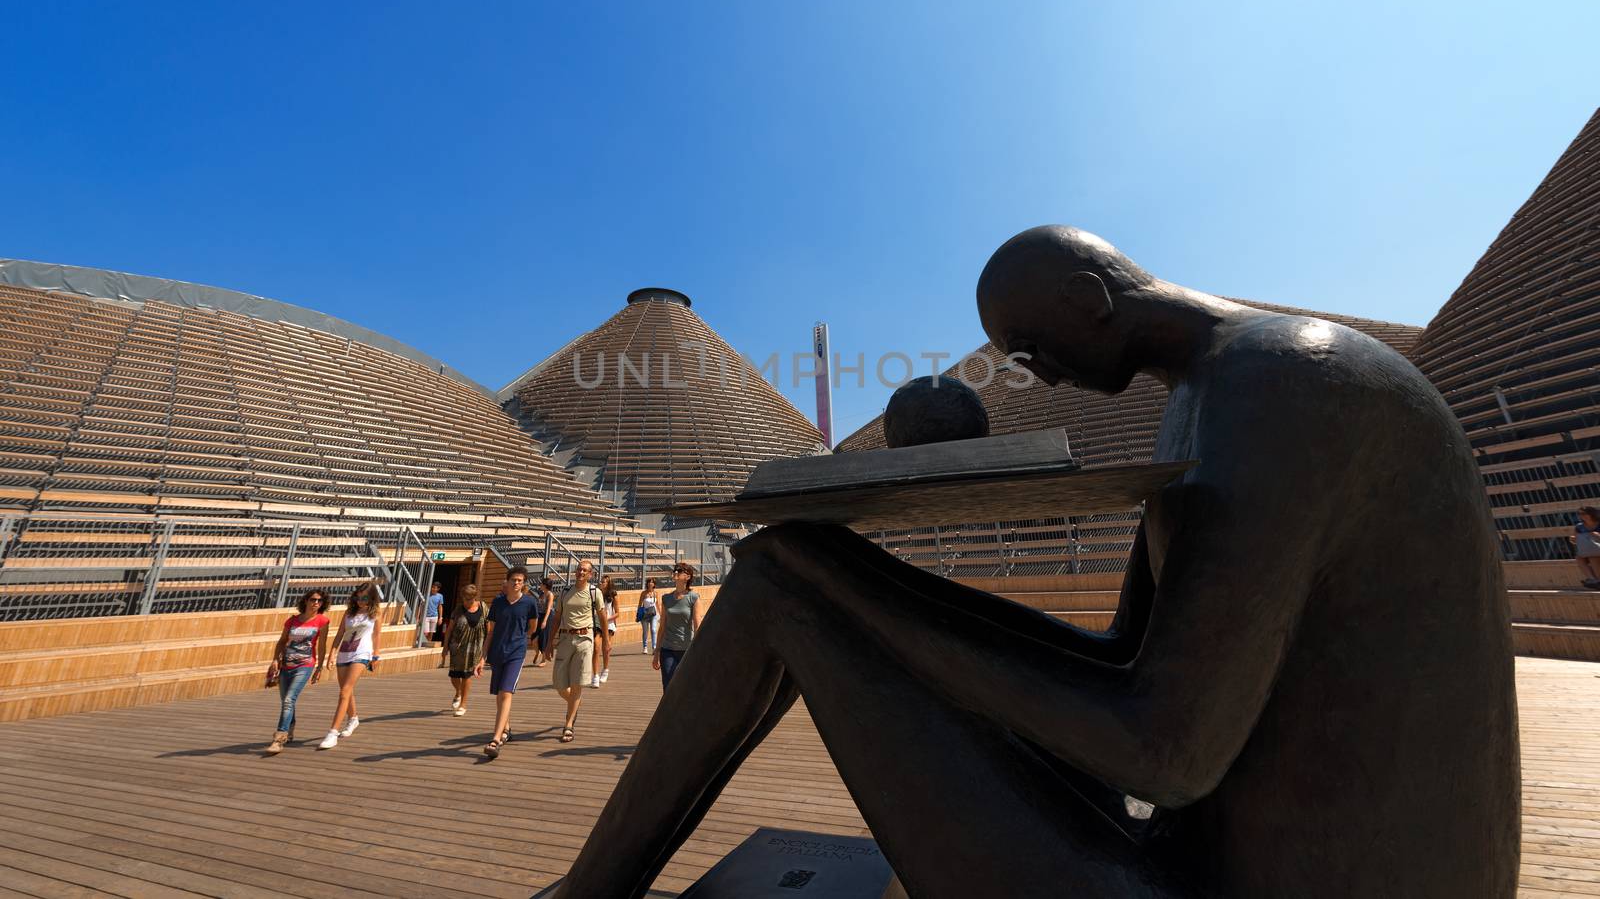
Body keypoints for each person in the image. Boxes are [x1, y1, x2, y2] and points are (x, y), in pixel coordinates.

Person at [551, 226, 1521, 899]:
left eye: (1026, 346)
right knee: (795, 569)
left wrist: (860, 601)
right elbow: (1122, 667)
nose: (1026, 373)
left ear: (1089, 297)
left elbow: (1163, 753)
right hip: (1202, 854)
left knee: (777, 577)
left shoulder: (1290, 387)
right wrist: (868, 590)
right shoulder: (1223, 395)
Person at [481, 565, 541, 759]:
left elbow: (532, 627)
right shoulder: (498, 603)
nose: (516, 583)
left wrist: (522, 640)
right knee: (499, 694)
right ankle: (506, 729)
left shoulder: (529, 603)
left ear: (524, 584)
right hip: (497, 651)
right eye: (513, 580)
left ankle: (496, 739)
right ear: (507, 582)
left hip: (516, 651)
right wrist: (482, 657)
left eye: (520, 581)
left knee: (506, 692)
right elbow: (490, 631)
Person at [319, 581, 383, 750]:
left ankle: (332, 733)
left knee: (344, 691)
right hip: (344, 652)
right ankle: (353, 718)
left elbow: (376, 635)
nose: (360, 601)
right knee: (347, 690)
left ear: (372, 598)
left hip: (361, 653)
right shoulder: (349, 613)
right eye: (358, 597)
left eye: (365, 598)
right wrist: (332, 653)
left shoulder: (375, 613)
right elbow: (340, 634)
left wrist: (376, 654)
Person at [264, 589, 330, 753]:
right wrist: (274, 660)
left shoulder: (322, 621)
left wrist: (319, 667)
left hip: (305, 665)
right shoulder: (292, 621)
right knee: (287, 701)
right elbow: (282, 641)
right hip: (286, 664)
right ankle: (290, 728)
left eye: (320, 601)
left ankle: (279, 738)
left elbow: (321, 647)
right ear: (306, 601)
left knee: (288, 699)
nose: (316, 603)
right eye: (313, 599)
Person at [549, 558, 607, 743]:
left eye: (585, 570)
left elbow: (603, 616)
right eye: (579, 569)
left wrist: (605, 640)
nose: (581, 572)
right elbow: (556, 618)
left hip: (585, 639)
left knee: (577, 683)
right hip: (566, 638)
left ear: (590, 574)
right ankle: (575, 703)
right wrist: (549, 642)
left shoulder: (594, 592)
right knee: (559, 684)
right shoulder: (565, 591)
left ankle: (568, 725)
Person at [443, 581, 489, 716]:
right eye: (464, 598)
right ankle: (458, 692)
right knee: (454, 676)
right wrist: (445, 647)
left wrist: (486, 649)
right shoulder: (458, 610)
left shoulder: (484, 608)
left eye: (469, 599)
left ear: (475, 597)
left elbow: (489, 629)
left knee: (467, 675)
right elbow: (450, 629)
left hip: (475, 647)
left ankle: (463, 704)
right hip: (457, 647)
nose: (466, 601)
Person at [653, 563, 701, 690]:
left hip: (686, 650)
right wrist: (657, 652)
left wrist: (697, 651)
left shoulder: (693, 598)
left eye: (679, 571)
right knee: (668, 686)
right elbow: (662, 627)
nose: (675, 572)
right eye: (674, 570)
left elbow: (697, 626)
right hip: (667, 649)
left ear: (687, 576)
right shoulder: (666, 598)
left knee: (686, 687)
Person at [595, 574, 619, 686]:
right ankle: (595, 674)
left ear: (608, 584)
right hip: (597, 623)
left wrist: (607, 618)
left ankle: (605, 670)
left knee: (606, 648)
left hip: (608, 624)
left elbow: (618, 613)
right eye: (601, 581)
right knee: (595, 645)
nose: (601, 583)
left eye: (604, 582)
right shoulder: (596, 593)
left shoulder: (613, 595)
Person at [1573, 506, 1600, 589]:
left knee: (1593, 557)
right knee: (1579, 557)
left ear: (1591, 513)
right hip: (1591, 549)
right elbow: (1576, 541)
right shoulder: (1579, 527)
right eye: (1579, 514)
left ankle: (1598, 580)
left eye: (1584, 513)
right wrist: (1573, 539)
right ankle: (1593, 579)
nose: (1581, 516)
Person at [533, 576, 556, 665]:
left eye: (542, 584)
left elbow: (549, 609)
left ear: (545, 585)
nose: (540, 585)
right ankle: (538, 652)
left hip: (548, 616)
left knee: (543, 637)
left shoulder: (550, 594)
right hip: (540, 616)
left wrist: (545, 621)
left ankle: (543, 660)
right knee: (534, 638)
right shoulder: (541, 594)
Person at [637, 577, 658, 655]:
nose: (650, 583)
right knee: (645, 631)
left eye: (652, 582)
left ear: (654, 584)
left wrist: (660, 614)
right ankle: (645, 647)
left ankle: (654, 647)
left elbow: (657, 604)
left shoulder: (656, 593)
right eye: (649, 582)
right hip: (645, 614)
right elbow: (639, 604)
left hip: (653, 614)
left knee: (653, 630)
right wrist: (638, 613)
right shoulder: (643, 593)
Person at [425, 581, 445, 658]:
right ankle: (424, 644)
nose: (432, 589)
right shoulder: (427, 595)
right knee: (425, 632)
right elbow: (421, 605)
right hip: (426, 616)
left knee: (431, 632)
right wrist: (418, 616)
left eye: (434, 587)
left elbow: (440, 607)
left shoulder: (440, 596)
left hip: (434, 616)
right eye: (432, 587)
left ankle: (427, 646)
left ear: (438, 589)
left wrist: (440, 617)